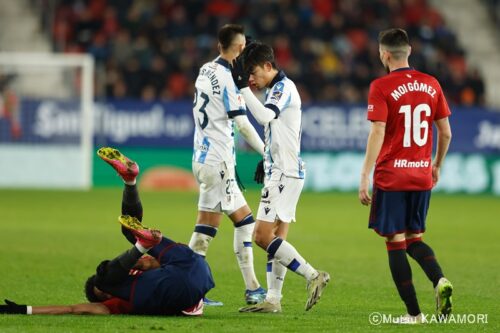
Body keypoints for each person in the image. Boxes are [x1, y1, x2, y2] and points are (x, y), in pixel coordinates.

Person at [0, 148, 214, 316]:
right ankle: (131, 187)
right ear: (102, 298)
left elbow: (73, 309)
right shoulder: (118, 297)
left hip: (192, 281)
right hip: (195, 266)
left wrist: (23, 309)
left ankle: (133, 197)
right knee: (131, 237)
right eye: (101, 292)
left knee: (124, 252)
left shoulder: (121, 293)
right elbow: (73, 309)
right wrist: (23, 309)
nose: (106, 291)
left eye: (101, 291)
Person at [358, 28, 453, 324]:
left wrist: (365, 175)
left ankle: (414, 315)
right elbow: (446, 133)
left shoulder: (381, 86)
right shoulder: (432, 83)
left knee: (395, 242)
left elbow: (377, 130)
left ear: (383, 55)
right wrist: (436, 164)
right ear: (409, 51)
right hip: (422, 175)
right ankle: (440, 281)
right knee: (415, 239)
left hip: (392, 176)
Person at [230, 42, 330, 313]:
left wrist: (241, 88)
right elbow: (277, 129)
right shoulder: (277, 88)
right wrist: (267, 157)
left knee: (261, 236)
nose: (251, 79)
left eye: (253, 72)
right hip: (285, 169)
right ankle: (273, 300)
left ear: (268, 66)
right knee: (277, 238)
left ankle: (313, 275)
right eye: (247, 74)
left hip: (284, 173)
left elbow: (263, 116)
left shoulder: (283, 88)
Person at [190, 24, 266, 305]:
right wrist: (267, 152)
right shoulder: (226, 78)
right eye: (244, 45)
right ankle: (253, 288)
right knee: (246, 223)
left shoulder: (205, 69)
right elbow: (243, 123)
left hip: (202, 158)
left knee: (204, 230)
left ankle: (191, 290)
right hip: (218, 161)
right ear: (238, 48)